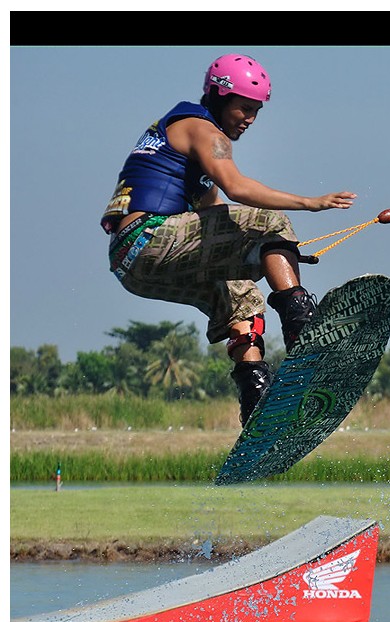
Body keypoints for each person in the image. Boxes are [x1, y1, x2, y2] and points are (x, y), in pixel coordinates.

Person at [100, 54, 357, 425]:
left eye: (256, 111)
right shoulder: (202, 130)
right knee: (271, 220)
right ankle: (304, 332)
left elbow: (216, 214)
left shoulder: (184, 142)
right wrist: (309, 204)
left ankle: (257, 404)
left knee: (242, 300)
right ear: (219, 97)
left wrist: (275, 254)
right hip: (151, 236)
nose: (250, 119)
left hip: (132, 265)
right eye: (243, 109)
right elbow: (237, 189)